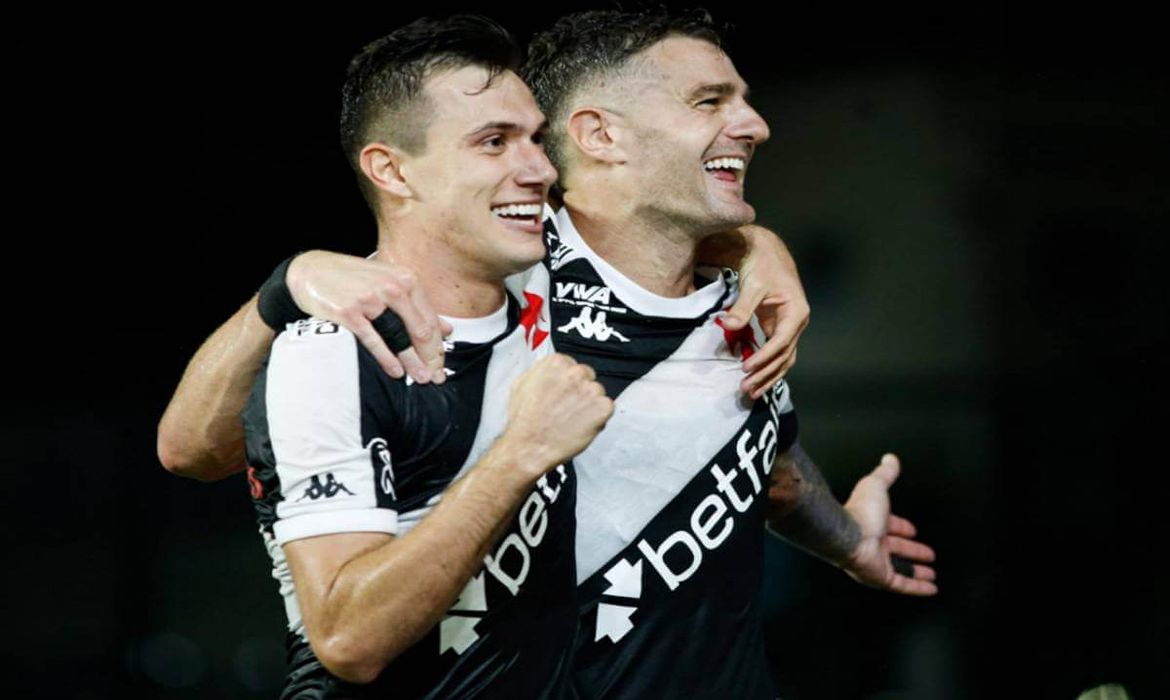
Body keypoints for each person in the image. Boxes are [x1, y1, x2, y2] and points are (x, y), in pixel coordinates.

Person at [159, 8, 937, 699]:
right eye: (709, 101)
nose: (755, 124)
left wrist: (851, 543)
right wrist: (284, 287)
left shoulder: (740, 303)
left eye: (531, 140)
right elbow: (195, 450)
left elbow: (774, 471)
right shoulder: (499, 281)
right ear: (600, 134)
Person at [236, 16, 612, 698]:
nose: (539, 169)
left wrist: (755, 250)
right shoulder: (329, 353)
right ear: (392, 170)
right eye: (493, 142)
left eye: (535, 139)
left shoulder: (558, 298)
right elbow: (348, 639)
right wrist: (521, 454)